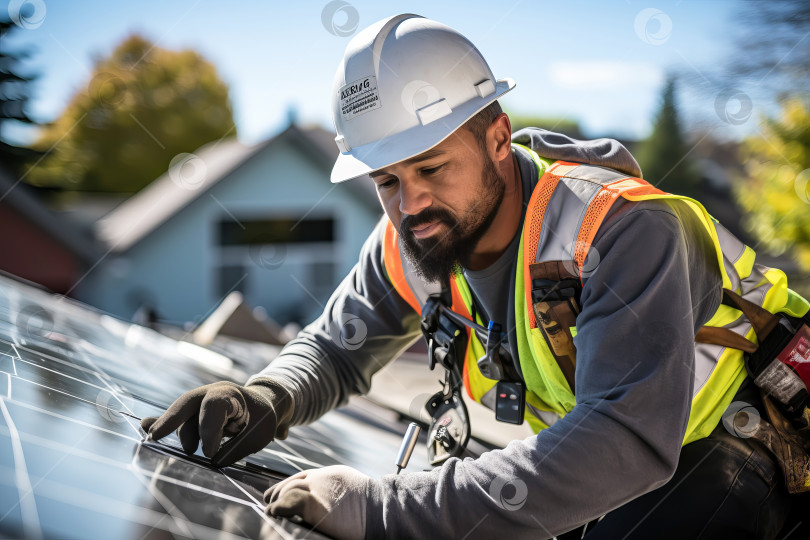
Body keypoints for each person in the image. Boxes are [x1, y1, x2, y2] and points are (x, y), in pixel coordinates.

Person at [142, 14, 810, 539]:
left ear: (497, 135)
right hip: (642, 452)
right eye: (386, 181)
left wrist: (383, 509)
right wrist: (265, 397)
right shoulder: (417, 236)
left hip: (750, 444)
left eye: (432, 168)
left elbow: (624, 439)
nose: (411, 203)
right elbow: (336, 348)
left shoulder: (622, 230)